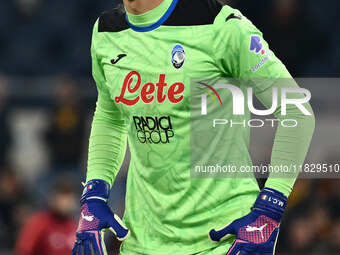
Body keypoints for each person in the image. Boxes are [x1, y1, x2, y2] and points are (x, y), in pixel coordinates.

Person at [72, 0, 315, 254]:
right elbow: (110, 116)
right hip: (141, 242)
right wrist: (94, 195)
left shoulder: (221, 26)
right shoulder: (106, 31)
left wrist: (269, 211)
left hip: (223, 242)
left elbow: (297, 112)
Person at [16, 180, 77, 255]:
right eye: (61, 195)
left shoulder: (75, 226)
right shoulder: (38, 223)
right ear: (52, 198)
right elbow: (23, 250)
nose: (65, 201)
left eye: (68, 196)